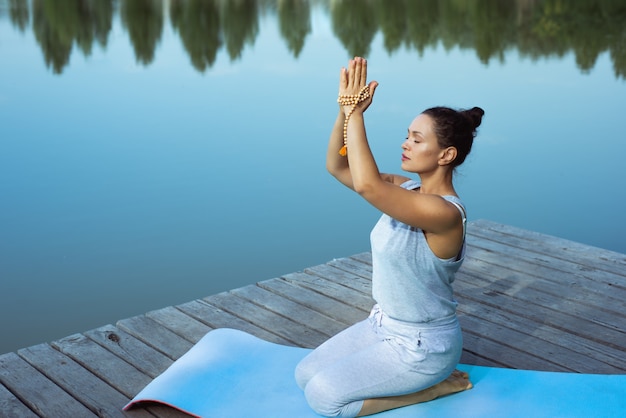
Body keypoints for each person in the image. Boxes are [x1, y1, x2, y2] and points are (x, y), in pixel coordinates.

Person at [294, 57, 484, 417]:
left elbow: (366, 184)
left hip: (422, 347)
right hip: (382, 325)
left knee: (324, 399)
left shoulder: (445, 214)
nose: (405, 144)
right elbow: (338, 166)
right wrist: (344, 112)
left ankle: (433, 389)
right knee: (305, 374)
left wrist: (358, 114)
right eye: (407, 135)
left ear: (446, 154)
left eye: (417, 138)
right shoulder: (405, 188)